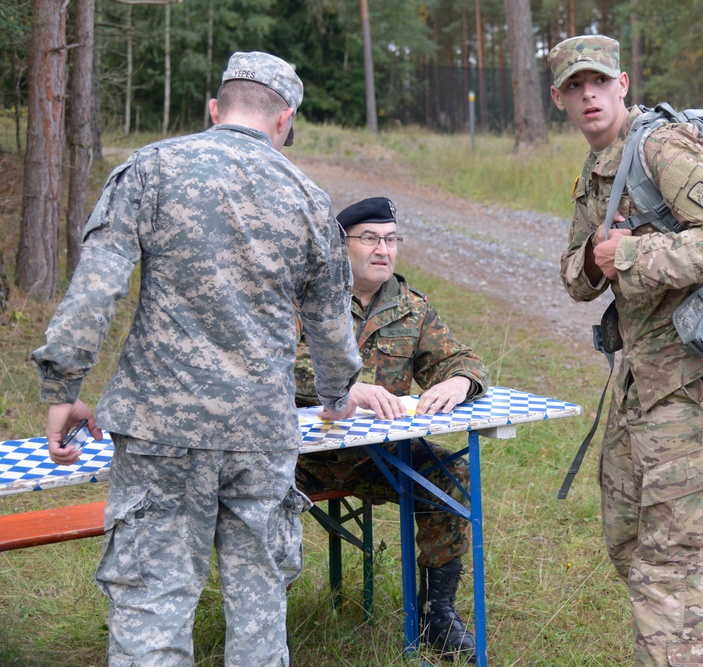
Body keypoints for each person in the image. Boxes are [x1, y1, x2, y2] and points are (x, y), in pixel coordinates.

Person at [30, 51, 362, 666]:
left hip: (160, 429)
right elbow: (331, 326)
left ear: (215, 109)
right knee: (261, 608)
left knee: (152, 604)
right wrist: (338, 398)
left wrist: (63, 389)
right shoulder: (310, 200)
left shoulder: (151, 170)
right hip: (260, 433)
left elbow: (95, 292)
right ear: (284, 120)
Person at [547, 35, 703, 667]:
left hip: (688, 383)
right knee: (628, 542)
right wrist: (597, 263)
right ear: (559, 99)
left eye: (599, 81)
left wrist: (631, 254)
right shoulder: (597, 169)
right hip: (636, 384)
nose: (589, 94)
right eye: (575, 86)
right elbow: (575, 273)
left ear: (622, 84)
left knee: (671, 564)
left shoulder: (659, 149)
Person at [294, 196, 490, 661]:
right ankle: (260, 620)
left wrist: (461, 381)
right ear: (340, 247)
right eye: (369, 239)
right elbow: (272, 364)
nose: (383, 250)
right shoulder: (306, 298)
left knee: (448, 474)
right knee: (247, 497)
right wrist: (344, 388)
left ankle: (437, 615)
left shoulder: (409, 307)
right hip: (298, 460)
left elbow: (459, 357)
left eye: (390, 239)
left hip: (376, 460)